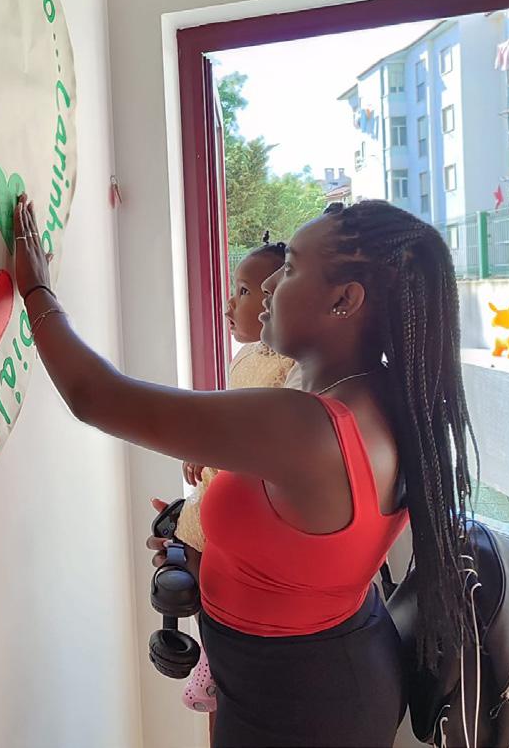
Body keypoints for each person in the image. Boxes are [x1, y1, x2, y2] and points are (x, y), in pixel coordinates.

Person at [12, 195, 474, 747]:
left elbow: (96, 396)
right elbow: (299, 552)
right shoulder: (371, 394)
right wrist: (210, 557)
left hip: (302, 706)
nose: (271, 285)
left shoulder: (308, 427)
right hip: (307, 674)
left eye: (291, 268)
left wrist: (36, 290)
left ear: (345, 300)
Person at [174, 233, 295, 714]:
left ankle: (214, 660)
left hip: (245, 497)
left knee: (207, 560)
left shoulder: (290, 367)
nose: (230, 303)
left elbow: (263, 437)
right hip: (218, 482)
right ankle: (209, 649)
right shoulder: (244, 357)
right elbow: (226, 416)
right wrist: (200, 446)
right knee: (188, 554)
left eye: (244, 292)